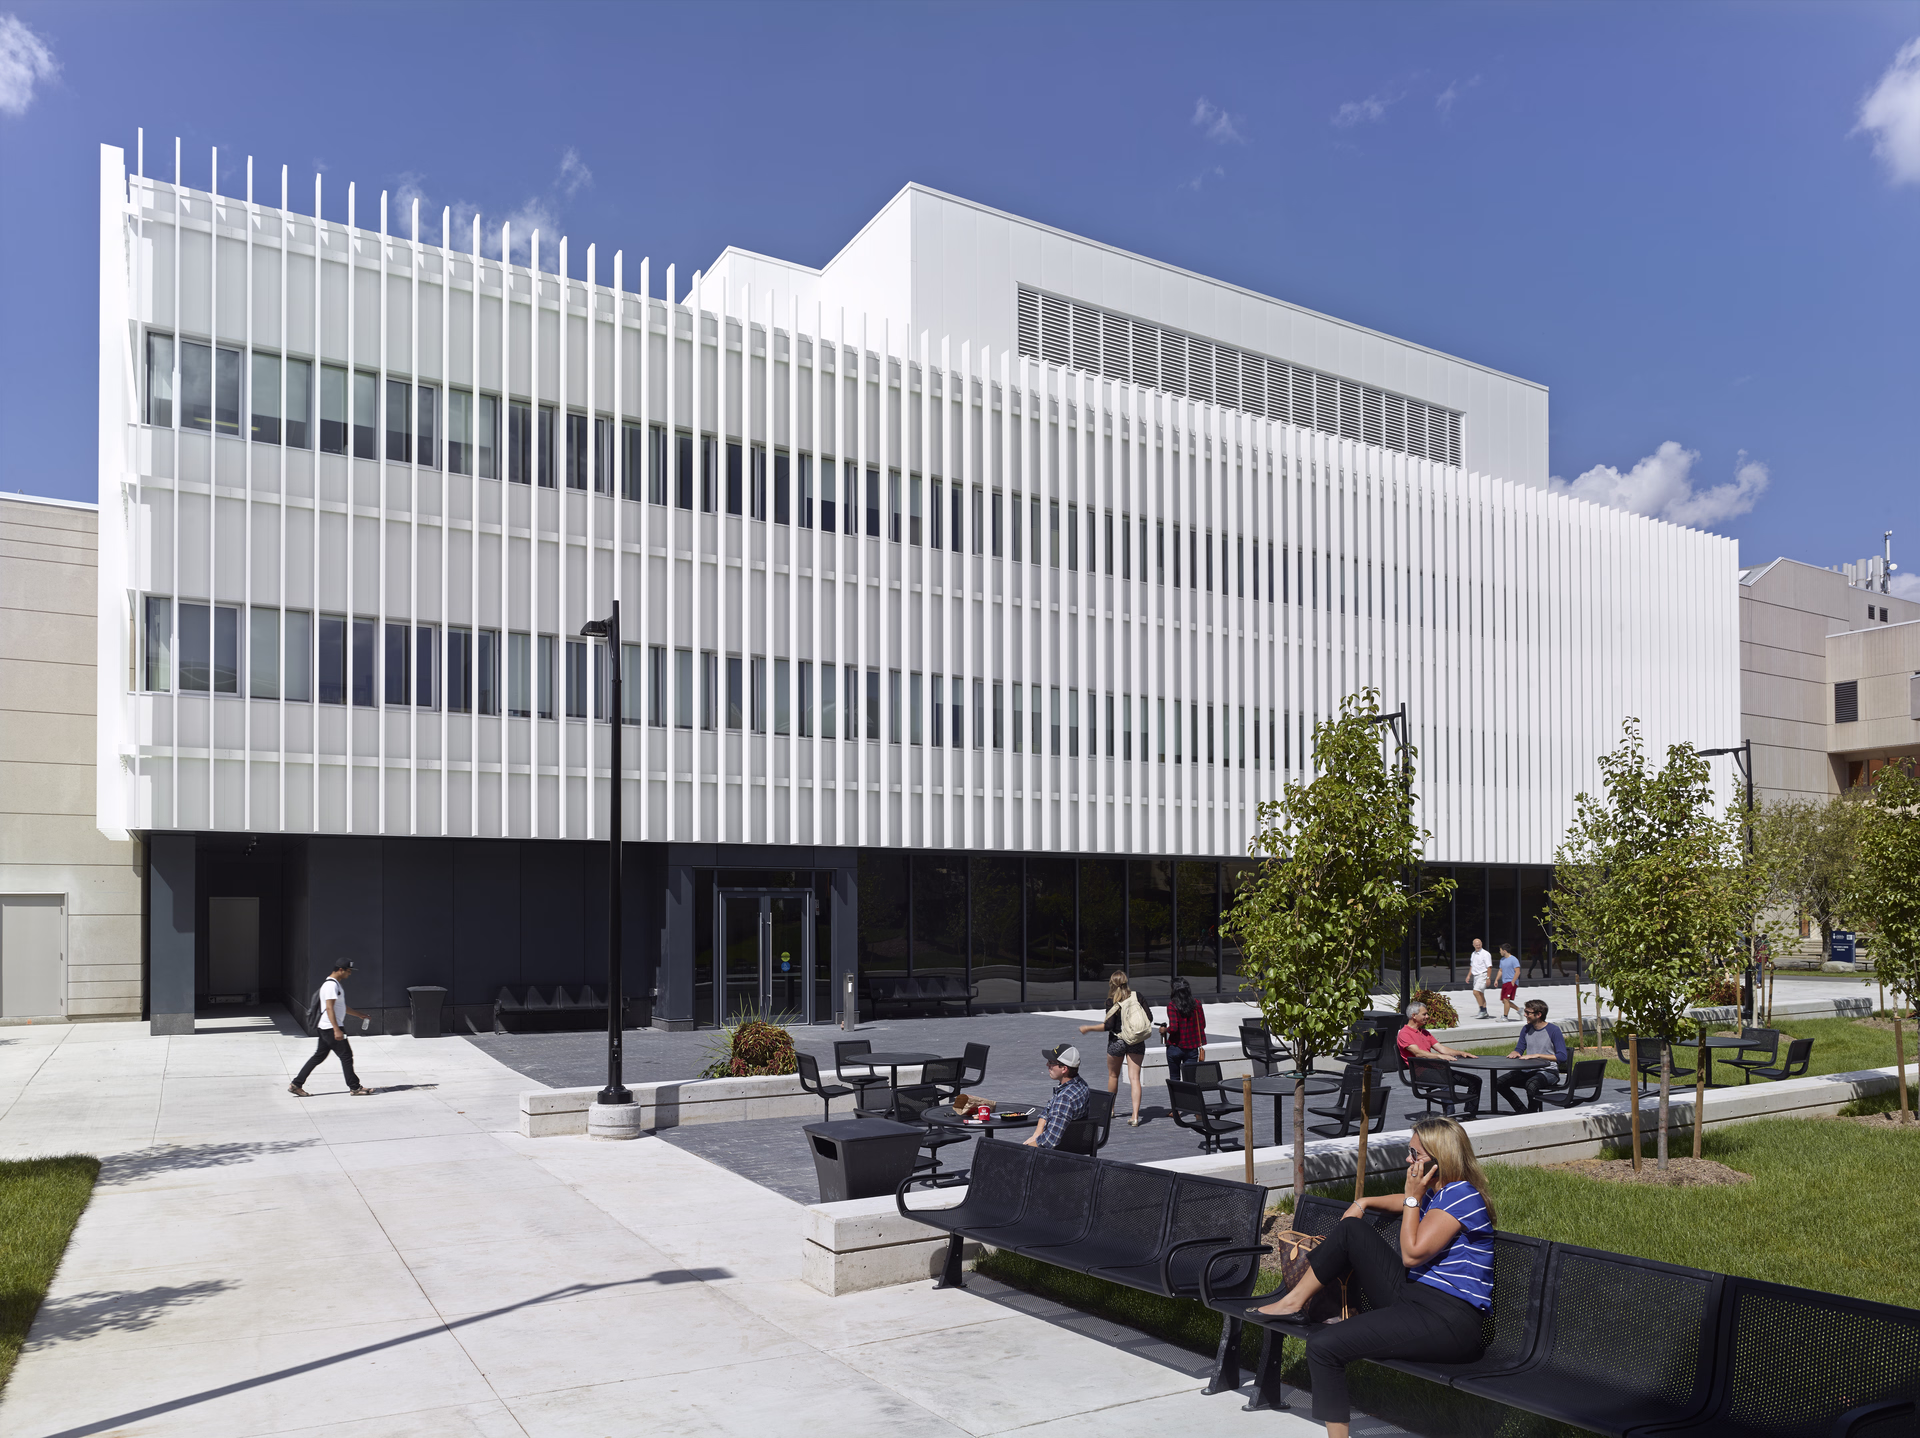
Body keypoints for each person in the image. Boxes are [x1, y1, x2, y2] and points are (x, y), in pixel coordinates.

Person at [1257, 1116, 1494, 1438]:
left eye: (1415, 1154)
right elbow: (1406, 1203)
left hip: (1448, 1320)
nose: (1408, 1160)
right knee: (1351, 1229)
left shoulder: (1463, 1196)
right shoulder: (1441, 1192)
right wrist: (1363, 1202)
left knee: (1324, 1346)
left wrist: (1412, 1197)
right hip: (1416, 1298)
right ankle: (1293, 1300)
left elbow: (1412, 1254)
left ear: (1440, 1160)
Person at [1079, 971, 1153, 1127]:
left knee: (1113, 1076)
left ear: (1111, 984)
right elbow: (1149, 1018)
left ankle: (1110, 1110)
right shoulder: (1137, 996)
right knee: (1135, 1078)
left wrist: (1089, 1028)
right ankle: (1135, 1116)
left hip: (1117, 1041)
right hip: (1136, 1041)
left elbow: (1109, 1026)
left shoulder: (1111, 1001)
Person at [289, 961, 373, 1097]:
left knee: (319, 1056)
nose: (350, 974)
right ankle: (355, 1087)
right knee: (346, 1055)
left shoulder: (335, 985)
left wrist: (360, 1015)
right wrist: (337, 1029)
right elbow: (329, 1008)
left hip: (326, 1028)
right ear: (341, 970)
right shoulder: (331, 985)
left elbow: (341, 1007)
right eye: (349, 971)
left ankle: (296, 1084)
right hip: (331, 1028)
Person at [1396, 1002, 1482, 1118]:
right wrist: (1439, 1057)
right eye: (1424, 1014)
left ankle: (1469, 1115)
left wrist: (1461, 1053)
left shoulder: (1425, 1032)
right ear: (1414, 1016)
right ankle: (1449, 1118)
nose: (1427, 1017)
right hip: (1421, 1073)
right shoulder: (1404, 1034)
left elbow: (1441, 1048)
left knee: (1475, 1081)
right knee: (1446, 1081)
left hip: (1437, 1070)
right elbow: (1418, 1053)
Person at [1495, 999, 1568, 1112]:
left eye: (1528, 1013)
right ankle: (1522, 1111)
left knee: (1532, 1085)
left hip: (1548, 1072)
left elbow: (1562, 1057)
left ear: (1538, 1015)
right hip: (1528, 1071)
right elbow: (1520, 1048)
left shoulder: (1554, 1030)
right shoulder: (1526, 1029)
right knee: (1498, 1083)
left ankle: (1532, 1115)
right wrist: (1516, 1052)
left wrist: (1537, 1055)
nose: (1525, 1015)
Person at [1027, 1045, 1090, 1149]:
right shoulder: (1080, 1085)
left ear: (1064, 1069)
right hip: (1072, 1145)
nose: (1047, 1064)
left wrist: (1027, 1147)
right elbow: (1048, 1109)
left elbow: (1050, 1140)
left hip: (1058, 1152)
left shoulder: (1065, 1098)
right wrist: (1036, 1135)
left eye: (1051, 1063)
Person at [1160, 977, 1207, 1084]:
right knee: (1190, 1080)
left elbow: (1174, 1028)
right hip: (1192, 1048)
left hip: (1175, 1047)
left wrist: (1164, 1030)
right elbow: (1202, 1025)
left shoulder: (1172, 1005)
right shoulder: (1197, 1004)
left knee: (1174, 1078)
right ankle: (1190, 1100)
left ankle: (1176, 1100)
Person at [1467, 938, 1493, 1019]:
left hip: (1483, 975)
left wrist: (1488, 978)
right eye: (1476, 945)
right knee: (1480, 994)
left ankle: (1482, 1010)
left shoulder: (1485, 954)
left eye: (1479, 944)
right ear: (1473, 945)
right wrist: (1468, 975)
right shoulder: (1473, 954)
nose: (1478, 946)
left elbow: (1489, 967)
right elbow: (1472, 965)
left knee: (1476, 992)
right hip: (1476, 976)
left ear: (1481, 944)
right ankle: (1484, 1010)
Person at [1496, 944, 1521, 1020]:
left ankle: (1505, 1017)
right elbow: (1501, 970)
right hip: (1505, 982)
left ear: (1504, 951)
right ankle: (1519, 1010)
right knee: (1504, 1001)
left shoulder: (1514, 960)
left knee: (1506, 1000)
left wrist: (1513, 981)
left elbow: (1517, 971)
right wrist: (1496, 979)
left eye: (1500, 950)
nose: (1500, 952)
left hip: (1511, 982)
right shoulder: (1502, 960)